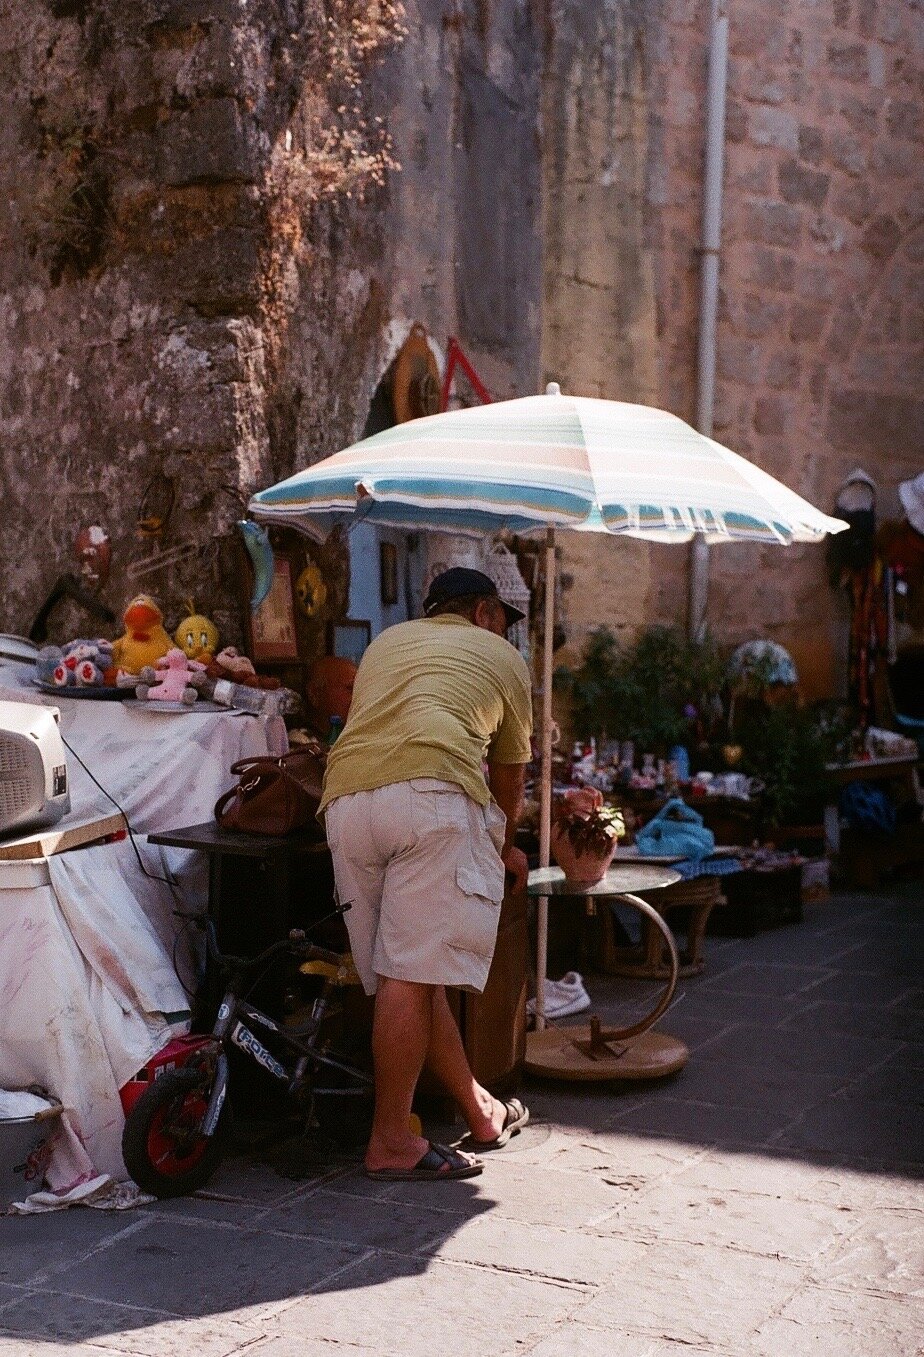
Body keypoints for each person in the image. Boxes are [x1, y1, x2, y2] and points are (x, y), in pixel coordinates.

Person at [318, 567, 533, 1182]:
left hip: (348, 804)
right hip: (430, 799)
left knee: (407, 974)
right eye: (501, 618)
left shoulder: (388, 642)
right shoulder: (500, 656)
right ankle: (390, 1140)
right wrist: (502, 843)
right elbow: (509, 775)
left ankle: (479, 1109)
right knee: (410, 976)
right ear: (486, 613)